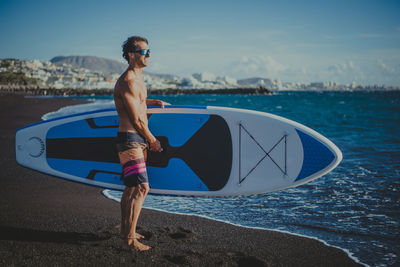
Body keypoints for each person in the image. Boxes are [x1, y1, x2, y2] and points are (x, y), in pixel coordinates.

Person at [114, 36, 168, 251]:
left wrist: (151, 102)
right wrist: (152, 140)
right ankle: (129, 241)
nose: (149, 55)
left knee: (131, 188)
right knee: (141, 188)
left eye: (149, 51)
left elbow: (137, 104)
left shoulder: (138, 79)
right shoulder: (128, 80)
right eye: (145, 52)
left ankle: (126, 231)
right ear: (131, 55)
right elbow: (136, 119)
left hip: (135, 140)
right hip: (131, 140)